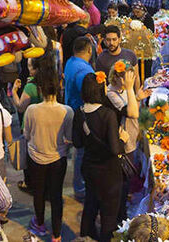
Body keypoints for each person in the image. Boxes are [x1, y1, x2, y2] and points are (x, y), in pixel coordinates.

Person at [23, 57, 71, 241]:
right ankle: (57, 235)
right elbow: (69, 139)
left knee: (39, 193)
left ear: (41, 88)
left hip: (36, 159)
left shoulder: (32, 110)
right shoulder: (67, 111)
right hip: (58, 160)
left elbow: (27, 135)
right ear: (58, 88)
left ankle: (40, 224)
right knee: (56, 195)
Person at [73, 73, 125, 242]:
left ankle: (86, 237)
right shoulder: (107, 114)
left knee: (90, 206)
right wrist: (122, 140)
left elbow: (77, 143)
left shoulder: (79, 113)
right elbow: (115, 149)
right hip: (109, 173)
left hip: (89, 169)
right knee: (108, 215)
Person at [105, 61, 149, 223]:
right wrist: (132, 90)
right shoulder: (111, 94)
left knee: (131, 171)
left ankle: (126, 200)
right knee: (125, 175)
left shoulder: (124, 90)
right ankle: (120, 214)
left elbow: (132, 107)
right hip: (123, 140)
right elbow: (131, 113)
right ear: (116, 77)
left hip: (132, 135)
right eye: (127, 77)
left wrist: (136, 97)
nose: (130, 80)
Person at [63, 36, 94, 201]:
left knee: (78, 152)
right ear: (89, 50)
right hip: (81, 115)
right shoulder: (85, 71)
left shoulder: (70, 62)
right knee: (82, 153)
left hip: (71, 110)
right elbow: (90, 95)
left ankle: (79, 186)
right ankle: (81, 188)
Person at [95, 26, 140, 90]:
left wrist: (137, 97)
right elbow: (100, 81)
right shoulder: (101, 58)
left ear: (119, 39)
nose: (111, 43)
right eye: (108, 40)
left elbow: (136, 77)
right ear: (104, 41)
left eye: (114, 39)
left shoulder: (130, 55)